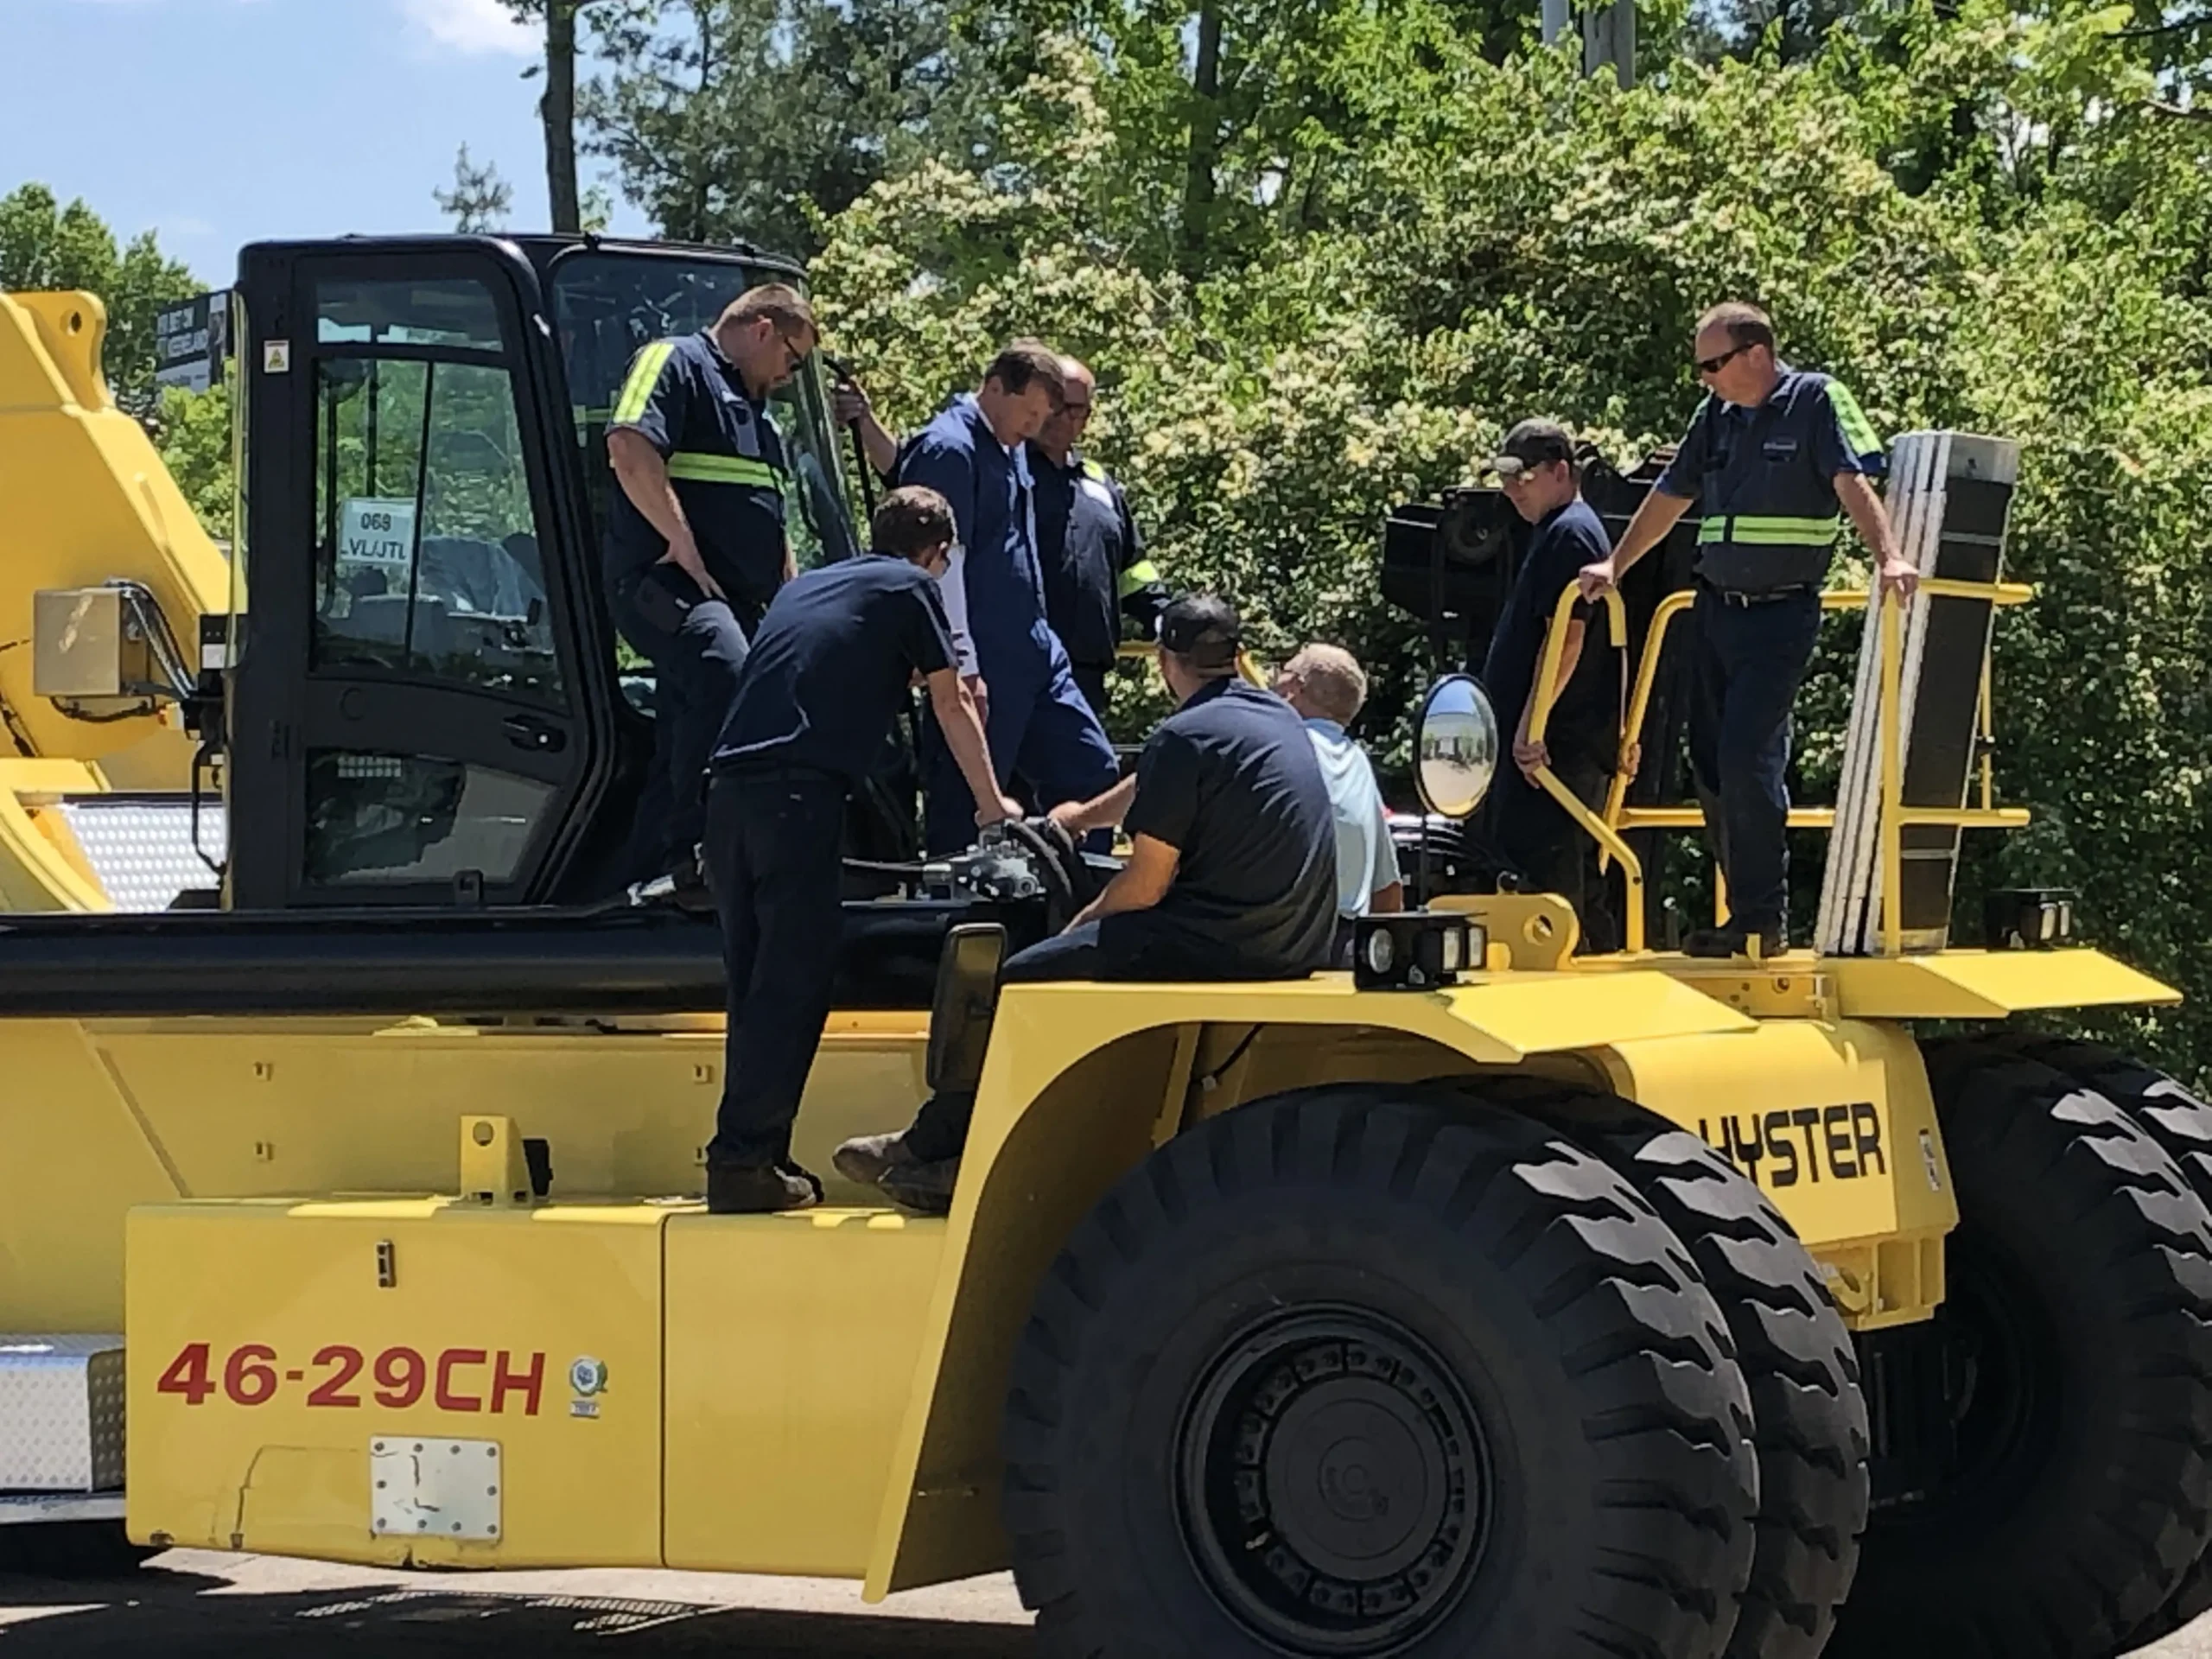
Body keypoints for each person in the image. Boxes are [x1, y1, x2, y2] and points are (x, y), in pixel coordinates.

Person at [834, 595, 1338, 1214]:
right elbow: (1162, 780)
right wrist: (1077, 818)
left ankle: (955, 1154)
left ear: (1162, 662)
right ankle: (937, 1144)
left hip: (1225, 944)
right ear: (1238, 657)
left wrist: (1073, 930)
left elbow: (1144, 888)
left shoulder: (1181, 736)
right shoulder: (1273, 718)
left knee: (1018, 977)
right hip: (1296, 937)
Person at [701, 486, 1020, 1214]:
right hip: (796, 797)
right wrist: (992, 804)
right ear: (937, 554)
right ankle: (744, 1162)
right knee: (796, 977)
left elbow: (820, 668)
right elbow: (952, 701)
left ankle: (752, 1155)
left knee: (753, 982)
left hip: (726, 794)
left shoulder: (810, 585)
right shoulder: (914, 587)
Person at [1578, 302, 1916, 957]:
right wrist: (1617, 563)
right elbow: (1672, 494)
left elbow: (1851, 481)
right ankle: (1743, 910)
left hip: (1779, 613)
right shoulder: (1717, 418)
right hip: (1712, 609)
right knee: (1708, 760)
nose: (1704, 378)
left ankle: (1763, 915)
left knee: (1746, 756)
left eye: (1714, 363)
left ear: (1756, 354)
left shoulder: (1816, 400)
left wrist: (1889, 556)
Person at [603, 283, 817, 898]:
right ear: (762, 330)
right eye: (792, 360)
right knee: (729, 673)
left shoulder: (758, 416)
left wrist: (793, 600)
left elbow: (768, 518)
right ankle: (695, 853)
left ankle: (636, 878)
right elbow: (627, 444)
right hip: (665, 583)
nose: (787, 377)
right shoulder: (674, 362)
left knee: (683, 728)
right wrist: (682, 542)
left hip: (738, 600)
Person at [899, 342, 1120, 853]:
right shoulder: (949, 448)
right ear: (995, 387)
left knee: (1093, 773)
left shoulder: (1013, 446)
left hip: (1037, 648)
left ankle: (1078, 908)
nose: (1034, 427)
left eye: (1044, 416)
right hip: (981, 656)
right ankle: (958, 920)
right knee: (968, 803)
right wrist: (960, 661)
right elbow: (935, 563)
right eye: (1030, 413)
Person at [1479, 420, 1630, 954]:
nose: (1511, 489)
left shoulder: (1572, 533)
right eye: (1504, 478)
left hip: (1554, 748)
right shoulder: (1556, 530)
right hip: (1549, 745)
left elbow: (1566, 637)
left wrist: (1531, 725)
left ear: (1561, 471)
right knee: (1563, 874)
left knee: (1555, 877)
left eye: (1523, 476)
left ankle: (1575, 975)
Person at [1026, 357, 1170, 719]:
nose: (1061, 416)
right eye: (1055, 404)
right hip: (1019, 666)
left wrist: (1167, 617)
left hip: (1087, 671)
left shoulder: (1098, 483)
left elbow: (1131, 569)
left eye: (1075, 409)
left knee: (1086, 775)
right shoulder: (1002, 472)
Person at [1274, 643, 1404, 958]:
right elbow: (1388, 890)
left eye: (1283, 670)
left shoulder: (1279, 748)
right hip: (1345, 946)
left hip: (1281, 942)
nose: (1273, 679)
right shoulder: (1358, 762)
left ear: (1295, 687)